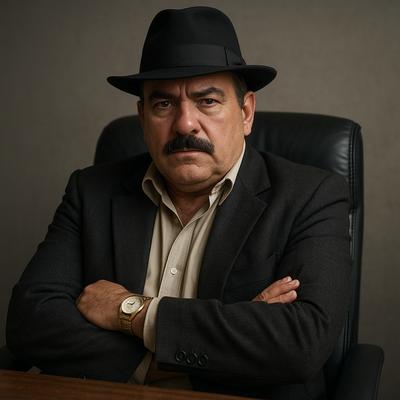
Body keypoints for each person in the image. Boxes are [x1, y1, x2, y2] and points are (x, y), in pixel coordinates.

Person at [6, 6, 351, 400]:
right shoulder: (91, 191)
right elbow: (29, 321)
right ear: (142, 117)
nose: (185, 124)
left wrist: (130, 311)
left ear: (246, 112)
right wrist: (215, 346)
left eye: (208, 101)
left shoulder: (312, 196)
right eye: (163, 104)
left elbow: (301, 342)